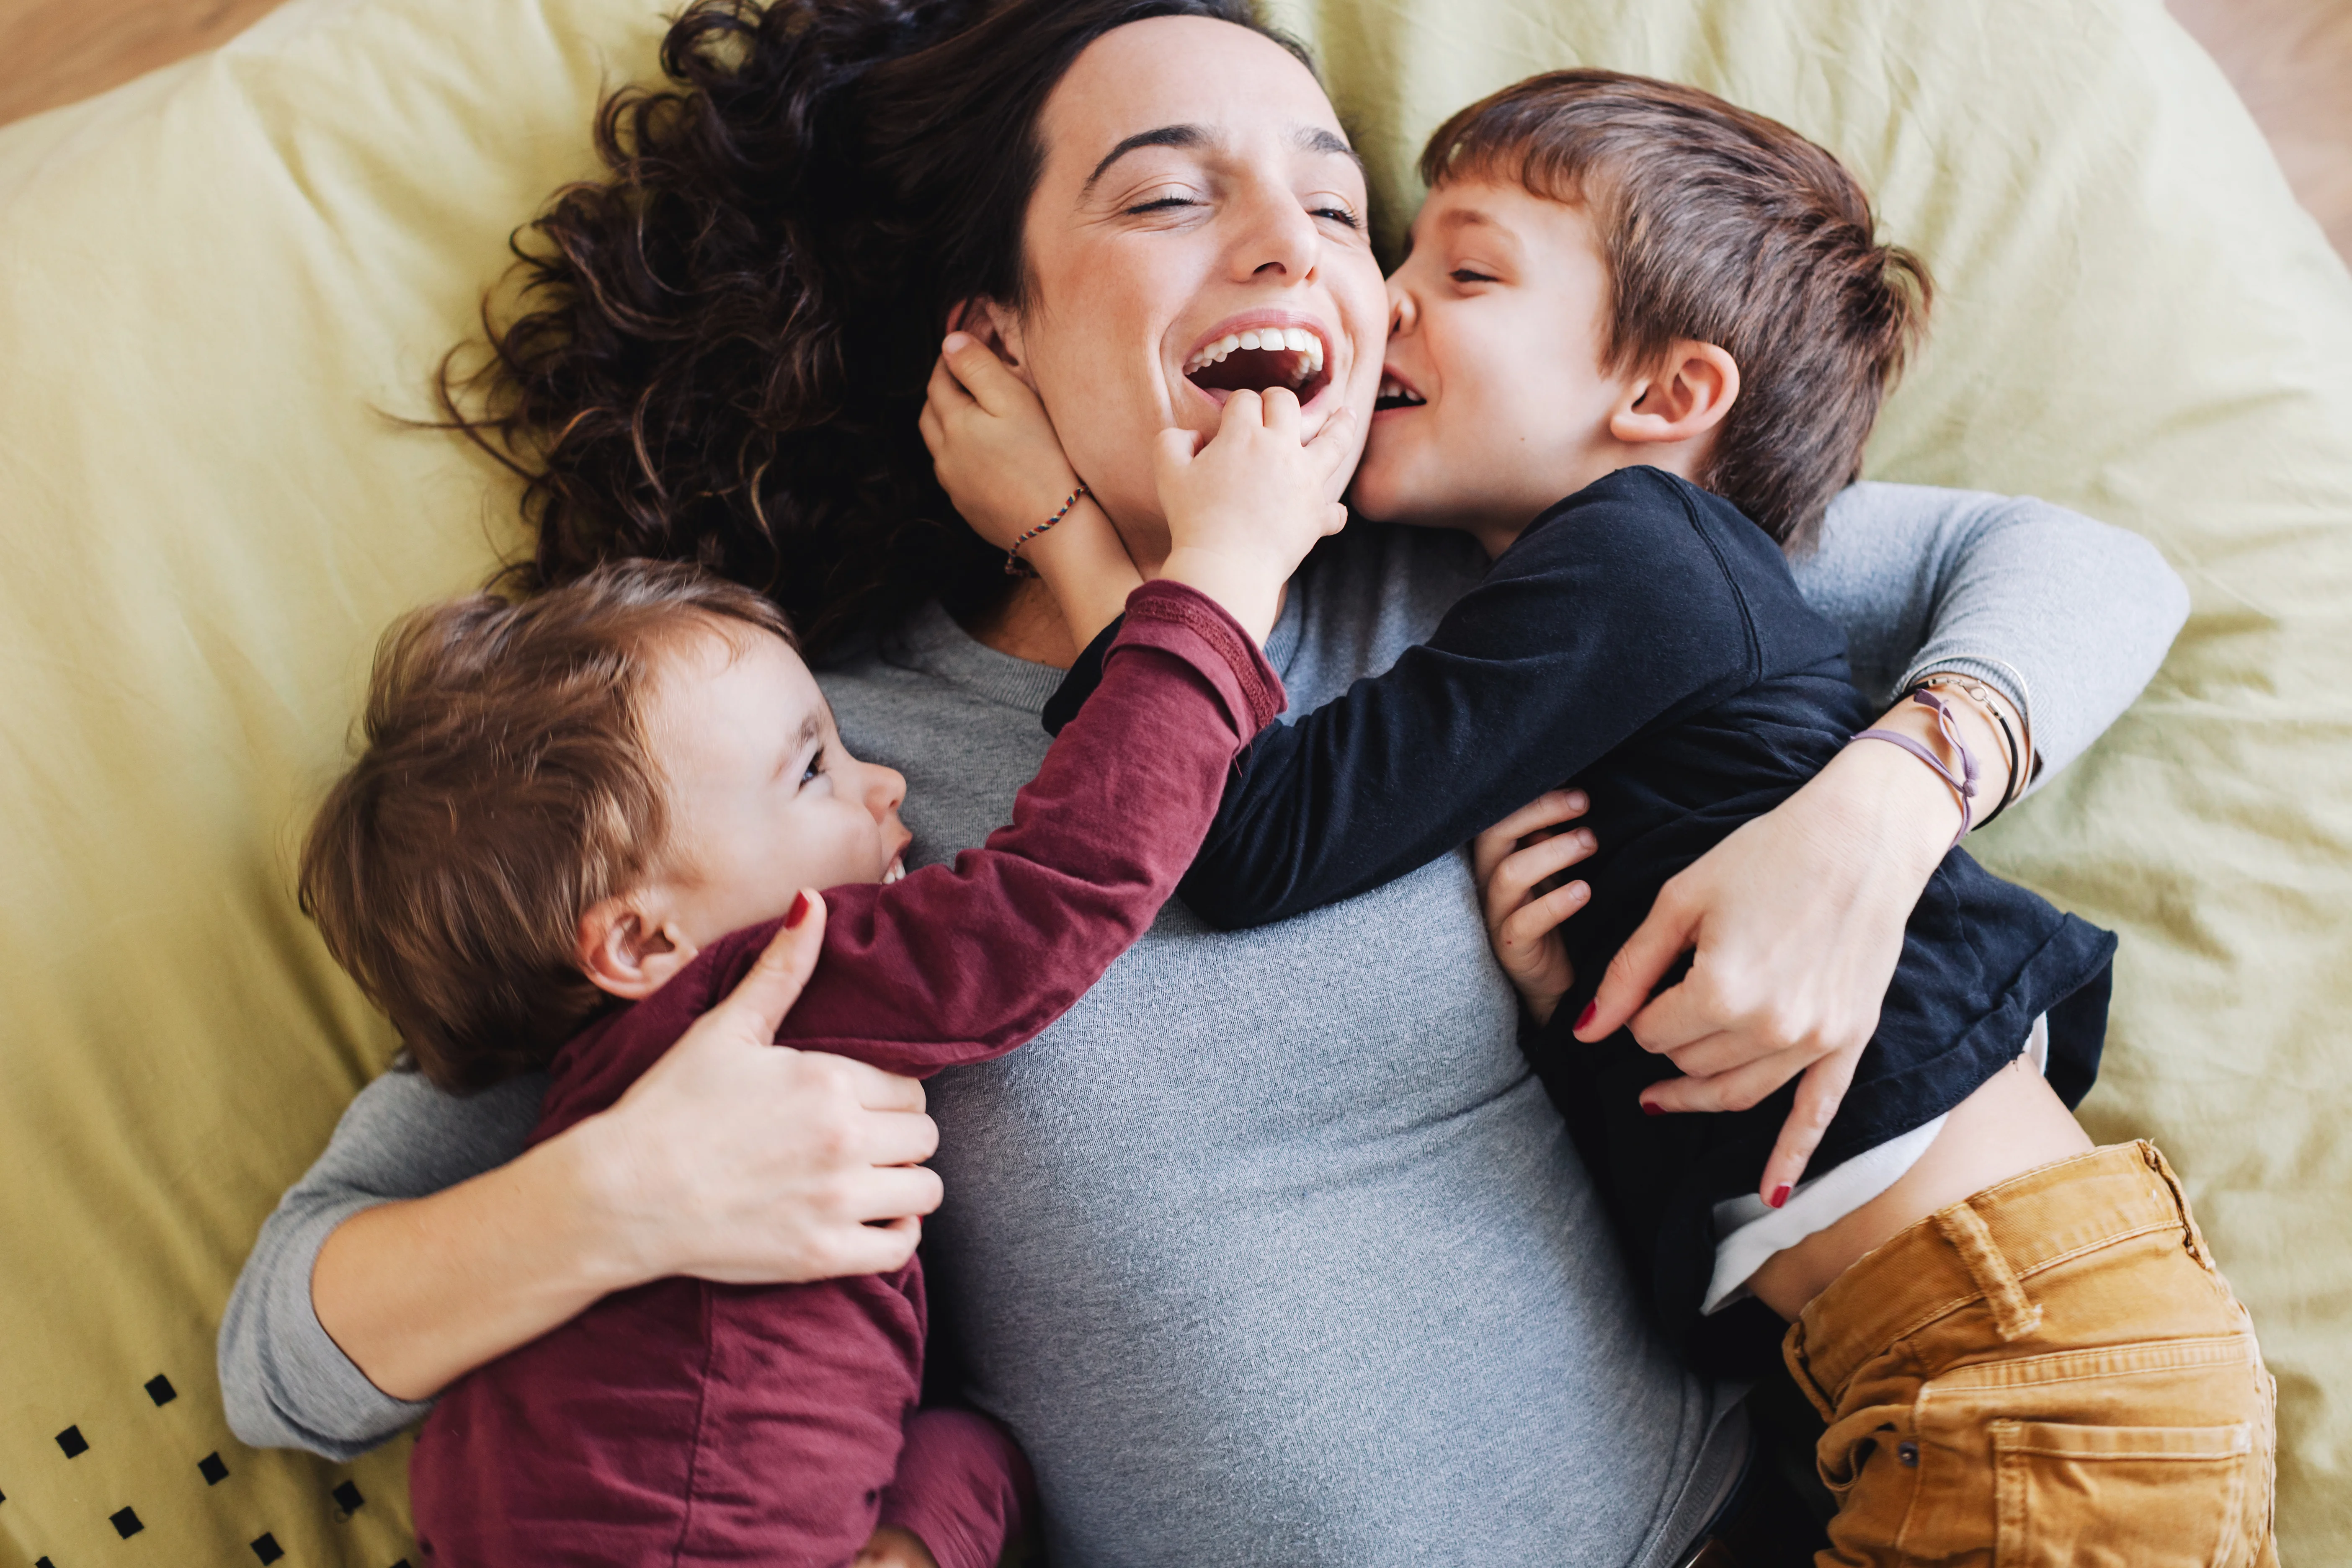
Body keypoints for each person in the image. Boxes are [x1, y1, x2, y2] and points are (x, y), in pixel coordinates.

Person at [220, 4, 2193, 1562]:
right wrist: (622, 1197)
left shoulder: (1478, 558)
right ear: (979, 328)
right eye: (1172, 198)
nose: (1299, 250)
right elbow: (290, 1348)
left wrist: (1889, 804)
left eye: (1340, 209)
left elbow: (2082, 570)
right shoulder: (790, 768)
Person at [941, 69, 2276, 1565]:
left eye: (1465, 271)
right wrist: (1565, 1008)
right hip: (1943, 1366)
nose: (1380, 304)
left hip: (2025, 1371)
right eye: (1398, 258)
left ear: (1667, 398)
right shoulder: (1568, 597)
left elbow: (1241, 831)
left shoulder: (1646, 553)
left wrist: (1071, 539)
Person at [300, 452, 1329, 1565]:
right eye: (811, 772)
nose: (883, 782)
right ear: (644, 941)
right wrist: (1218, 589)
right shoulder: (776, 983)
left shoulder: (603, 1100)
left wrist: (931, 1529)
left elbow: (956, 1460)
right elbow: (1065, 884)